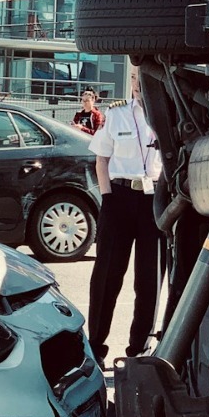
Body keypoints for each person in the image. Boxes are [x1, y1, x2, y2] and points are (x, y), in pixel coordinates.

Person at [87, 66, 163, 362]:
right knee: (107, 275)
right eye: (132, 78)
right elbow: (101, 160)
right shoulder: (116, 113)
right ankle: (95, 347)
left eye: (141, 77)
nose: (136, 84)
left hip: (154, 200)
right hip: (119, 197)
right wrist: (107, 198)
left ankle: (138, 350)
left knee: (149, 279)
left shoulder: (167, 114)